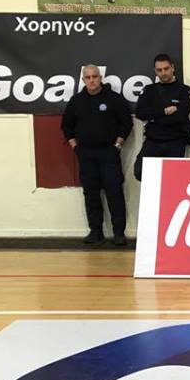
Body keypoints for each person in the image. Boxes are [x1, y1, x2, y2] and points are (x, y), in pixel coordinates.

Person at [61, 64, 132, 246]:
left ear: (100, 78)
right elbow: (66, 126)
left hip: (109, 152)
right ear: (83, 80)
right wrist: (76, 148)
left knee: (114, 192)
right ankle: (95, 231)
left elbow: (126, 123)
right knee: (91, 193)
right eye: (88, 77)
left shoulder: (113, 99)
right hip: (85, 153)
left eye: (95, 76)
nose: (92, 80)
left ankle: (118, 233)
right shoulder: (76, 101)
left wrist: (117, 146)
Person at [133, 54, 190, 181]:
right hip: (153, 141)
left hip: (175, 141)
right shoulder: (149, 90)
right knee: (140, 172)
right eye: (159, 70)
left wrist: (153, 117)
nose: (163, 73)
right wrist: (164, 111)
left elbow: (180, 116)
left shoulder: (184, 90)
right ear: (155, 71)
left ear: (173, 68)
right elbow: (140, 113)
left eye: (166, 69)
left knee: (172, 179)